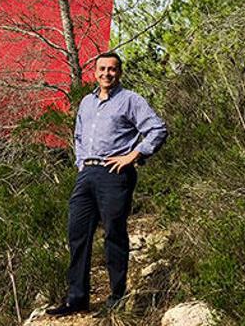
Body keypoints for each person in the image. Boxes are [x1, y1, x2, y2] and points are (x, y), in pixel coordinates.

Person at [47, 50, 168, 317]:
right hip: (86, 174)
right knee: (77, 234)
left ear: (119, 72)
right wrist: (81, 164)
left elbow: (157, 129)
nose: (106, 74)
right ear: (95, 72)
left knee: (114, 233)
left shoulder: (130, 100)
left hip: (115, 174)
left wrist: (133, 155)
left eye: (112, 69)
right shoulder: (87, 103)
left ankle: (116, 297)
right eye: (102, 69)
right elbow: (79, 136)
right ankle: (76, 298)